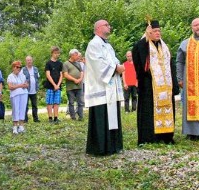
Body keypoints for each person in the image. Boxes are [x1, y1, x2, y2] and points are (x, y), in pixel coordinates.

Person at [132, 20, 177, 145]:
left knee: (167, 110)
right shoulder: (143, 45)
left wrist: (174, 83)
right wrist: (145, 38)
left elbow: (170, 65)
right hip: (149, 86)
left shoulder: (164, 47)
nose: (157, 33)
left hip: (166, 87)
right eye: (154, 31)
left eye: (158, 31)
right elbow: (139, 61)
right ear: (148, 33)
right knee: (149, 112)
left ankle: (166, 136)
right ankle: (149, 137)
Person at [84, 20, 125, 156]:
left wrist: (119, 67)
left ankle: (113, 146)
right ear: (98, 28)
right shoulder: (94, 44)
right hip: (100, 88)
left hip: (111, 88)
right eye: (107, 25)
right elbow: (98, 65)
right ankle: (100, 148)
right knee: (102, 118)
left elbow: (113, 60)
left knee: (112, 116)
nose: (109, 27)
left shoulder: (107, 45)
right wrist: (116, 68)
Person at [6, 61, 29, 134]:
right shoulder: (10, 76)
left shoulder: (22, 75)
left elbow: (26, 85)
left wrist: (21, 85)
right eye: (17, 67)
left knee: (22, 109)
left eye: (20, 67)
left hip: (24, 93)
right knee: (16, 110)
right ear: (13, 67)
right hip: (15, 95)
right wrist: (20, 86)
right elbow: (10, 87)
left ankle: (21, 125)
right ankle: (15, 126)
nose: (19, 68)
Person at [62, 49, 85, 120]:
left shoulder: (78, 64)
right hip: (70, 87)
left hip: (79, 86)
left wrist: (80, 79)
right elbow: (65, 75)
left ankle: (81, 116)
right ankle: (73, 117)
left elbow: (82, 72)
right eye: (76, 55)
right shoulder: (65, 64)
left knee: (80, 102)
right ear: (72, 55)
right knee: (71, 102)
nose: (78, 56)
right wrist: (75, 80)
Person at [44, 46, 63, 123]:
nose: (57, 55)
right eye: (55, 53)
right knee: (49, 102)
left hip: (58, 86)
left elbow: (61, 75)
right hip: (50, 86)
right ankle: (50, 118)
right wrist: (54, 85)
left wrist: (58, 85)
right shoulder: (48, 63)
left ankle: (56, 117)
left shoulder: (60, 63)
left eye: (58, 53)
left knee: (56, 102)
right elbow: (48, 75)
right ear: (52, 53)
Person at [21, 55, 41, 123]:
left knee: (35, 105)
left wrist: (37, 87)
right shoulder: (23, 70)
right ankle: (25, 119)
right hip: (26, 91)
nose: (29, 61)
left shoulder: (35, 69)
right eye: (28, 60)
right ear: (26, 61)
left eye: (30, 60)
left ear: (32, 61)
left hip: (34, 90)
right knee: (25, 105)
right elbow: (21, 80)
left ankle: (36, 119)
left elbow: (37, 78)